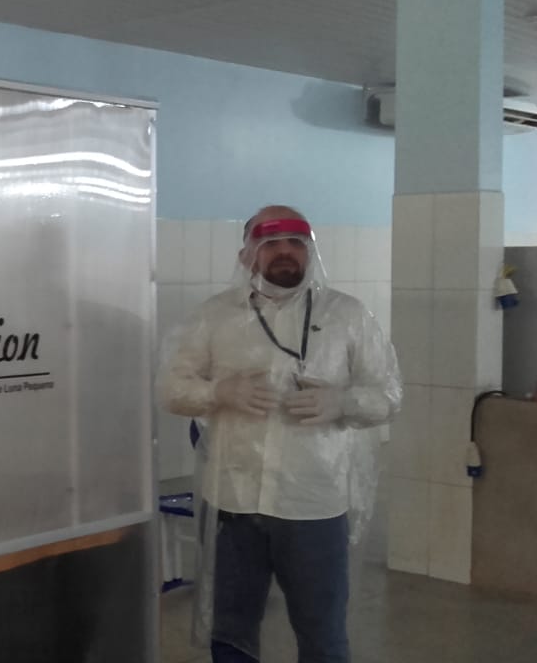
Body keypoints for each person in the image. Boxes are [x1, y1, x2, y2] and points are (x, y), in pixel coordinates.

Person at [159, 205, 402, 663]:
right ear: (247, 254)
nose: (285, 252)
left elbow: (388, 394)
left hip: (313, 503)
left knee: (322, 633)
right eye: (270, 243)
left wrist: (343, 402)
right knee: (231, 630)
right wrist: (218, 392)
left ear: (311, 252)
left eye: (296, 243)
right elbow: (171, 390)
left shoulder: (348, 316)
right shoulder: (215, 316)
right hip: (233, 501)